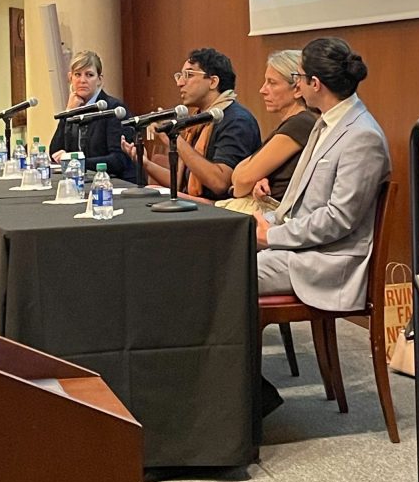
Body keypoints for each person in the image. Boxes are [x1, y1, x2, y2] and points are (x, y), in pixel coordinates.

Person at [256, 37, 391, 311]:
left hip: (327, 261)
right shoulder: (326, 122)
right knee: (219, 255)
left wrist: (271, 236)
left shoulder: (362, 135)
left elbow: (339, 218)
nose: (297, 84)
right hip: (302, 248)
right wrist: (258, 223)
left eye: (299, 77)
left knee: (225, 273)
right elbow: (298, 204)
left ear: (315, 84)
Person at [125, 47, 262, 200]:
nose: (180, 83)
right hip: (198, 206)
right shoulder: (199, 120)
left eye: (188, 75)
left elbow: (220, 183)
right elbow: (180, 183)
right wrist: (145, 163)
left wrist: (174, 137)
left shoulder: (237, 120)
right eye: (180, 76)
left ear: (213, 81)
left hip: (223, 213)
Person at [216, 49, 317, 214]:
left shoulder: (300, 124)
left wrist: (250, 179)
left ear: (297, 89)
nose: (263, 90)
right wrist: (254, 178)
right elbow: (240, 174)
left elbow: (242, 180)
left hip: (273, 219)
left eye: (272, 83)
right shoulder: (291, 124)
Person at [49, 50, 134, 180]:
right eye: (78, 74)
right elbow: (54, 152)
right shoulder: (74, 108)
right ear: (70, 78)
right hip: (83, 180)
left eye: (89, 75)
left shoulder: (114, 109)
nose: (82, 80)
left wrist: (77, 162)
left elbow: (118, 160)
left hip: (116, 182)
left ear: (99, 80)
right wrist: (67, 113)